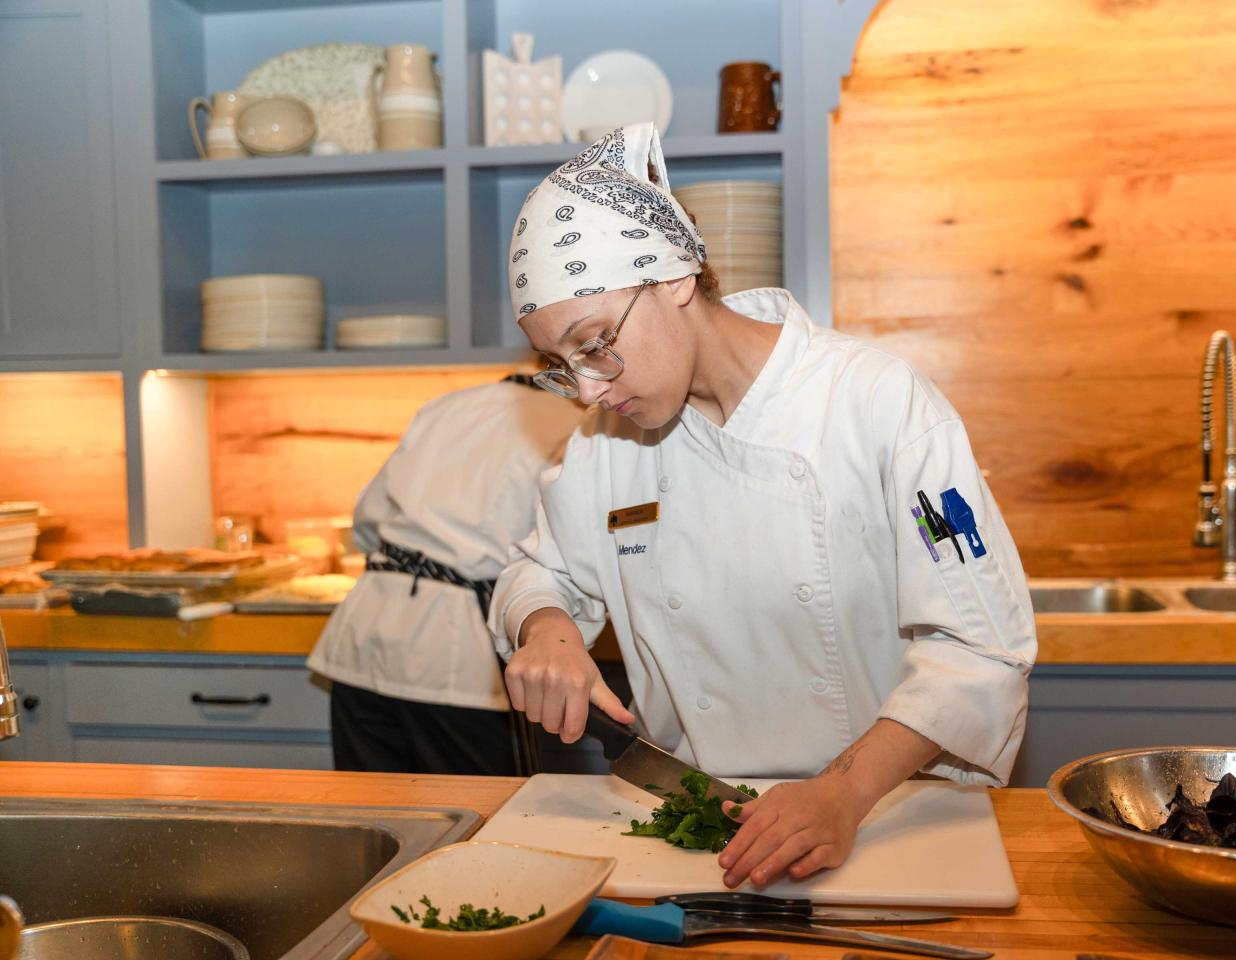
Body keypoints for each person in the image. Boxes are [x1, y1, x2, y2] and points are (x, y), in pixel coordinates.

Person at [488, 123, 1036, 887]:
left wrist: (844, 793)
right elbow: (538, 571)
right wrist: (545, 630)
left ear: (674, 278)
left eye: (594, 344)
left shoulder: (876, 403)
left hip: (883, 815)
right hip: (702, 834)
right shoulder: (606, 441)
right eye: (559, 365)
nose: (587, 388)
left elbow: (982, 647)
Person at [307, 373, 583, 775]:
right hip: (458, 656)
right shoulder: (575, 424)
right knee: (481, 817)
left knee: (372, 818)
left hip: (365, 634)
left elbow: (367, 520)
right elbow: (565, 550)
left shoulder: (446, 406)